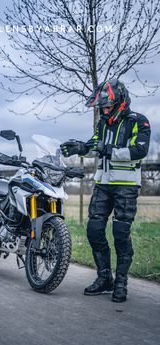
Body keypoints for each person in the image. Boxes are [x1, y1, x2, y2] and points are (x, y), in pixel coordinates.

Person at [60, 78, 151, 302]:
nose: (103, 110)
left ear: (120, 102)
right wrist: (80, 148)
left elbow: (139, 150)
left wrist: (107, 149)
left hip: (126, 186)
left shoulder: (138, 121)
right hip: (103, 184)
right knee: (94, 230)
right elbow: (95, 145)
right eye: (101, 107)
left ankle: (121, 282)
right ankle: (104, 278)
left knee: (121, 235)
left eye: (107, 106)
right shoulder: (103, 123)